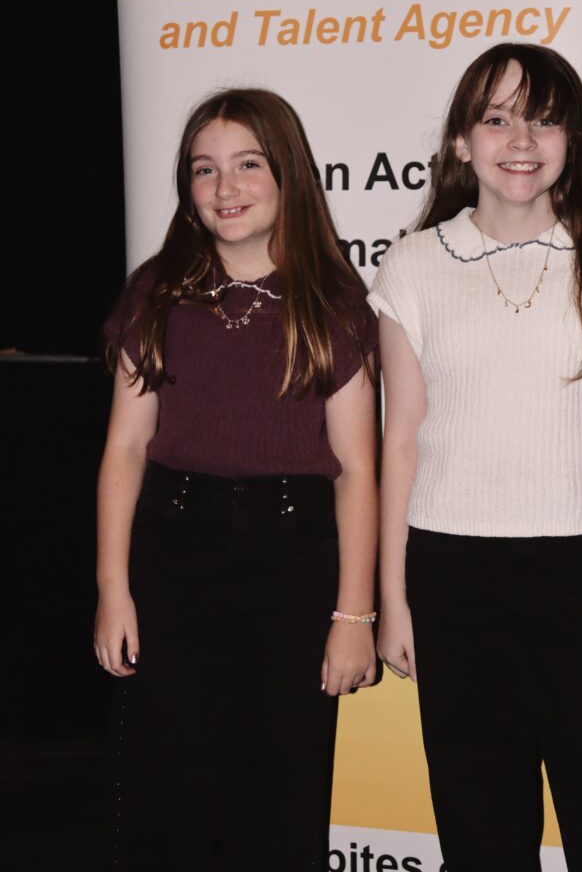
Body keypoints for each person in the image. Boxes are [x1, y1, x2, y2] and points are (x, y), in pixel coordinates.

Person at [369, 43, 582, 871]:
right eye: (497, 118)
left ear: (571, 140)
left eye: (543, 120)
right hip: (450, 574)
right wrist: (392, 598)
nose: (520, 139)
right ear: (460, 142)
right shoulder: (411, 265)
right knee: (479, 820)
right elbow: (399, 440)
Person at [94, 88, 378, 871]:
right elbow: (124, 449)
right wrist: (113, 588)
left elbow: (357, 469)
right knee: (162, 786)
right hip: (172, 550)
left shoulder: (332, 305)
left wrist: (353, 615)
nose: (225, 187)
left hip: (294, 559)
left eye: (248, 164)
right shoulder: (156, 292)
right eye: (204, 169)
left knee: (279, 791)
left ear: (287, 174)